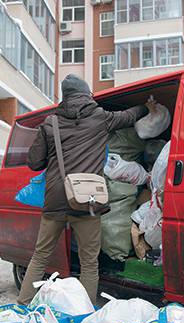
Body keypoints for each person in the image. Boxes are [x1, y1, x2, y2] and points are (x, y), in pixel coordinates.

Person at [16, 74, 149, 305]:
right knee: (89, 262)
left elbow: (34, 163)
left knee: (40, 256)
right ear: (87, 94)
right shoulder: (99, 117)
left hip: (56, 198)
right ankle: (83, 312)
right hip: (87, 199)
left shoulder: (51, 123)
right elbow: (128, 117)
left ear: (64, 97)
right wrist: (145, 107)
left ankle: (23, 304)